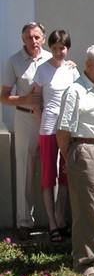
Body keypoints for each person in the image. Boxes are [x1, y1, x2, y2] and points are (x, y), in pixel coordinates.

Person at [56, 43, 94, 276]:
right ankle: (84, 263)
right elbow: (63, 131)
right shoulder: (75, 91)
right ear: (87, 65)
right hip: (85, 151)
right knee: (86, 209)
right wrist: (71, 158)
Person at [1, 21, 52, 241]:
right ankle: (24, 221)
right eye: (29, 37)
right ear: (23, 39)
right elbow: (3, 96)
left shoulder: (52, 59)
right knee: (25, 169)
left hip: (49, 120)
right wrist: (24, 99)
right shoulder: (14, 61)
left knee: (53, 168)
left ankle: (56, 222)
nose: (33, 41)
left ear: (43, 38)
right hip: (25, 118)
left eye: (37, 37)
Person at [31, 29, 80, 242]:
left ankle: (61, 219)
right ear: (49, 48)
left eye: (63, 48)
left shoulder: (72, 70)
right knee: (49, 177)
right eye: (55, 48)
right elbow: (35, 100)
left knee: (66, 176)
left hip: (68, 129)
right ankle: (52, 223)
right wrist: (41, 120)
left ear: (68, 48)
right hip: (49, 129)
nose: (59, 52)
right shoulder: (42, 70)